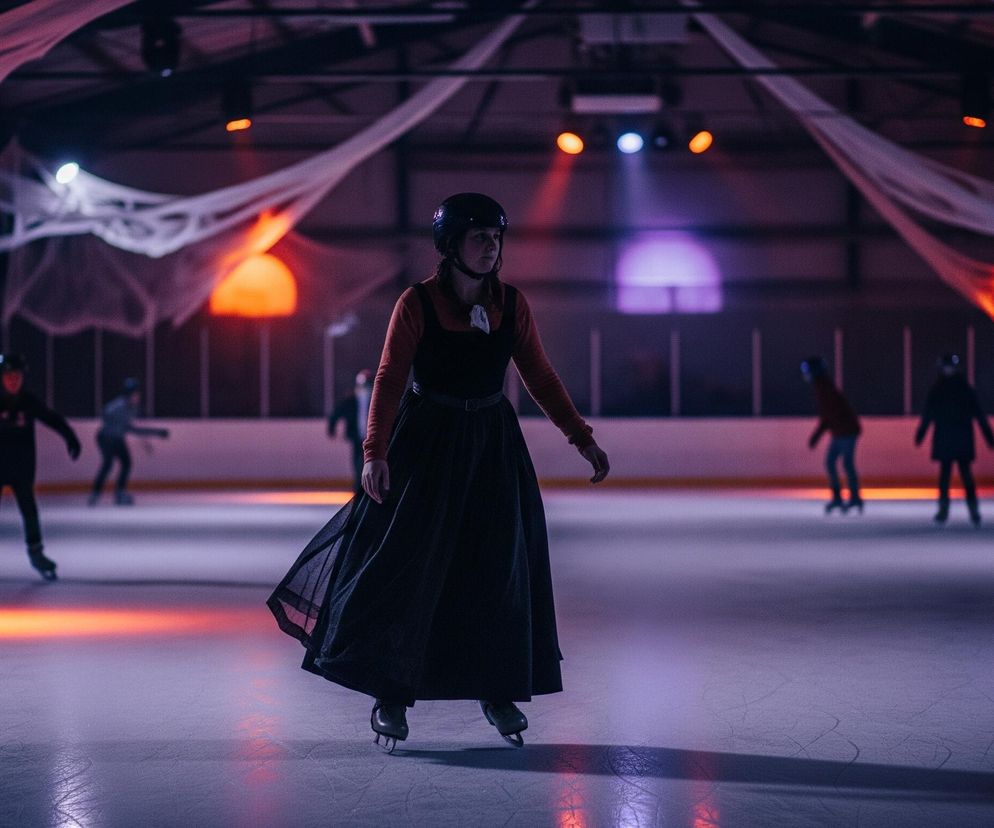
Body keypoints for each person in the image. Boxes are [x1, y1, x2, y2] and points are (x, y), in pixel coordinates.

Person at [268, 193, 609, 752]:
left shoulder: (512, 305)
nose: (491, 246)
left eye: (496, 237)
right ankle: (391, 694)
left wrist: (582, 438)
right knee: (407, 567)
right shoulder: (418, 304)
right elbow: (388, 378)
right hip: (427, 444)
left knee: (497, 570)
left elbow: (540, 378)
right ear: (450, 247)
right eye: (479, 237)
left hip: (492, 450)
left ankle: (498, 689)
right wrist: (374, 451)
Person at [0, 353, 81, 580]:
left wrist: (70, 436)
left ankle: (36, 554)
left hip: (21, 468)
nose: (12, 381)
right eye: (8, 377)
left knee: (29, 511)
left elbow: (51, 418)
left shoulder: (28, 402)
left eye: (16, 377)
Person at [915, 353, 993, 526]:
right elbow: (928, 414)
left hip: (959, 438)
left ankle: (973, 511)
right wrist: (921, 433)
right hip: (947, 438)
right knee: (945, 476)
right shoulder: (940, 389)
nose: (947, 370)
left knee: (965, 476)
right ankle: (944, 511)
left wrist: (988, 436)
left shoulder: (962, 389)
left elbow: (979, 414)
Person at [88, 377, 169, 506]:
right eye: (135, 393)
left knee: (126, 463)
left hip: (117, 438)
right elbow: (106, 413)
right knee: (108, 464)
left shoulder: (132, 408)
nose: (137, 396)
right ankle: (95, 493)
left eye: (138, 393)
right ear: (129, 394)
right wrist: (116, 425)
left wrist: (157, 433)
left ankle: (119, 492)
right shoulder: (119, 405)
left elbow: (131, 428)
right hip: (105, 437)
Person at [801, 356, 863, 514]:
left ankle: (854, 497)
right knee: (831, 462)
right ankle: (839, 497)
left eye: (807, 371)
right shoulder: (822, 387)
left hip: (847, 431)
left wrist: (817, 434)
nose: (805, 375)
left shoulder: (825, 389)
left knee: (846, 463)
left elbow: (828, 415)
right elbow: (828, 416)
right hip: (840, 431)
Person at [327, 369, 373, 492]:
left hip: (372, 439)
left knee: (368, 464)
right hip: (357, 438)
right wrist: (331, 428)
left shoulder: (376, 400)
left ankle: (363, 488)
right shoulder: (351, 400)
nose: (366, 388)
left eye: (368, 384)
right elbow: (336, 413)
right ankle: (358, 489)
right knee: (357, 464)